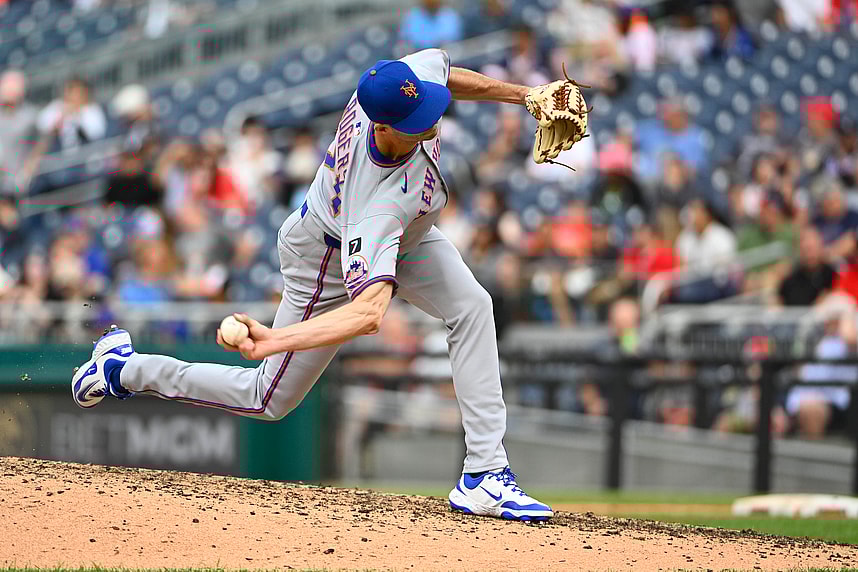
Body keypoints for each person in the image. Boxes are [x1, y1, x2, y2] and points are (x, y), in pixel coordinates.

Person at [71, 49, 554, 521]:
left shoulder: (395, 86)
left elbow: (443, 74)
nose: (431, 117)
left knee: (472, 306)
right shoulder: (374, 202)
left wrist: (527, 95)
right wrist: (274, 341)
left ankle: (484, 473)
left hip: (406, 235)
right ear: (382, 128)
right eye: (416, 118)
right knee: (266, 398)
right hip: (328, 258)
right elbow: (368, 314)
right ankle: (123, 369)